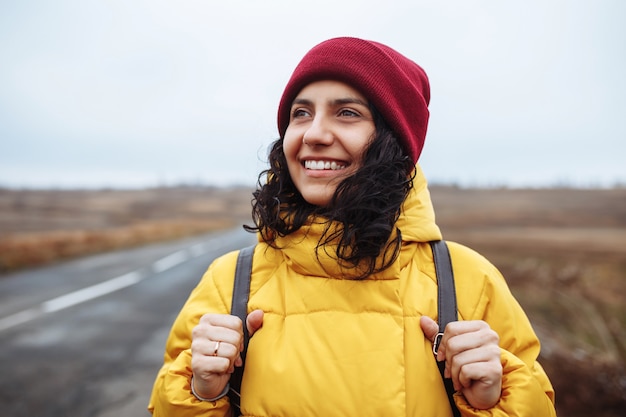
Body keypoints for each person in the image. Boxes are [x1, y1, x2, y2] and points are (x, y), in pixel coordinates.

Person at [148, 37, 556, 416]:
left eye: (346, 113)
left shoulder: (467, 279)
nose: (314, 134)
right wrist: (202, 392)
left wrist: (489, 401)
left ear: (394, 141)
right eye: (301, 113)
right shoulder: (231, 281)